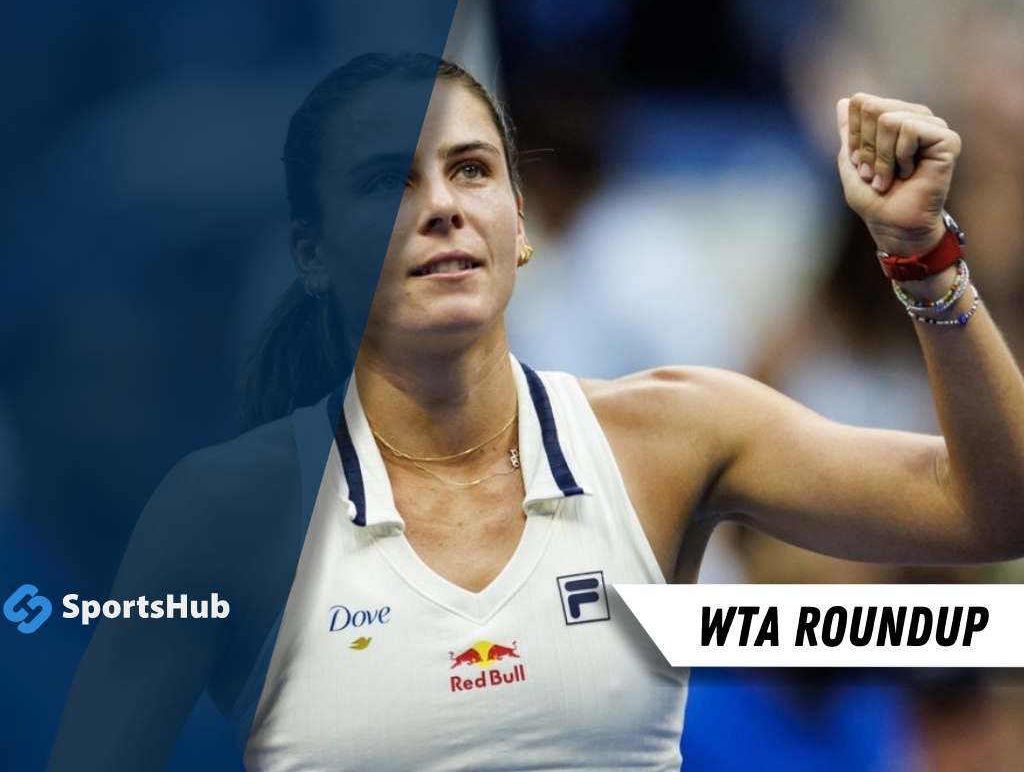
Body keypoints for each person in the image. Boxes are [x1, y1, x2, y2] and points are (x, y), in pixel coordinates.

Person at [49, 53, 1024, 771]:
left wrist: (923, 255)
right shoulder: (225, 509)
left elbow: (992, 509)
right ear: (311, 256)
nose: (440, 205)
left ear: (522, 225)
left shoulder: (671, 435)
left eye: (471, 169)